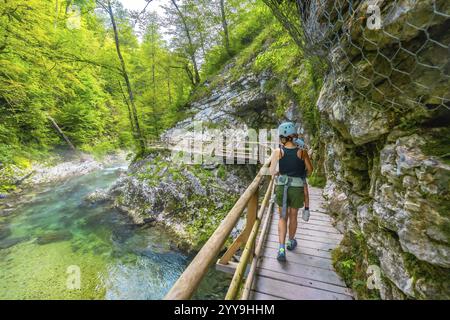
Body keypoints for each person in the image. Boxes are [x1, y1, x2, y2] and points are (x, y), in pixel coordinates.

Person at [269, 122, 313, 262]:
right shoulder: (302, 152)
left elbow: (271, 171)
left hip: (282, 186)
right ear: (293, 136)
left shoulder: (278, 152)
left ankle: (281, 249)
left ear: (282, 137)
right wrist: (301, 173)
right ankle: (290, 241)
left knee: (282, 217)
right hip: (297, 187)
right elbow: (310, 170)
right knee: (293, 216)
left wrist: (278, 172)